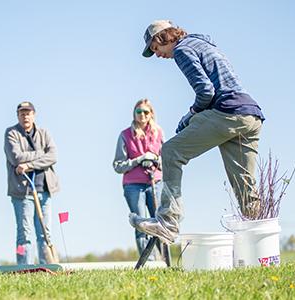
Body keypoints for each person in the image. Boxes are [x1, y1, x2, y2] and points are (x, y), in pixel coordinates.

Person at [130, 20, 265, 245]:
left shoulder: (182, 49)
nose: (158, 55)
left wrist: (190, 115)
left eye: (156, 48)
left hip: (227, 112)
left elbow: (205, 91)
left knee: (171, 151)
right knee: (245, 186)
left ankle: (167, 222)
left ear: (163, 37)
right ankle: (260, 244)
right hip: (250, 115)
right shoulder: (202, 43)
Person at [4, 101, 59, 265]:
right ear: (18, 116)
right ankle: (23, 266)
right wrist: (42, 154)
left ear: (34, 115)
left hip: (45, 189)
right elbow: (16, 157)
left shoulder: (44, 133)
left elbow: (53, 156)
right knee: (24, 233)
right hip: (22, 191)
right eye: (22, 113)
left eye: (28, 113)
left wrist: (28, 165)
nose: (25, 116)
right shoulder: (11, 133)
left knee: (44, 232)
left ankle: (46, 266)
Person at [113, 99, 163, 258]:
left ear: (151, 114)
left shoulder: (158, 133)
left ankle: (164, 259)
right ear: (134, 114)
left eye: (146, 112)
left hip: (155, 182)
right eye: (139, 112)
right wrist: (139, 159)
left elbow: (166, 159)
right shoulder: (125, 135)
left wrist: (156, 159)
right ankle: (148, 261)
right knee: (141, 223)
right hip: (134, 186)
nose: (142, 115)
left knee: (160, 222)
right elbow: (118, 166)